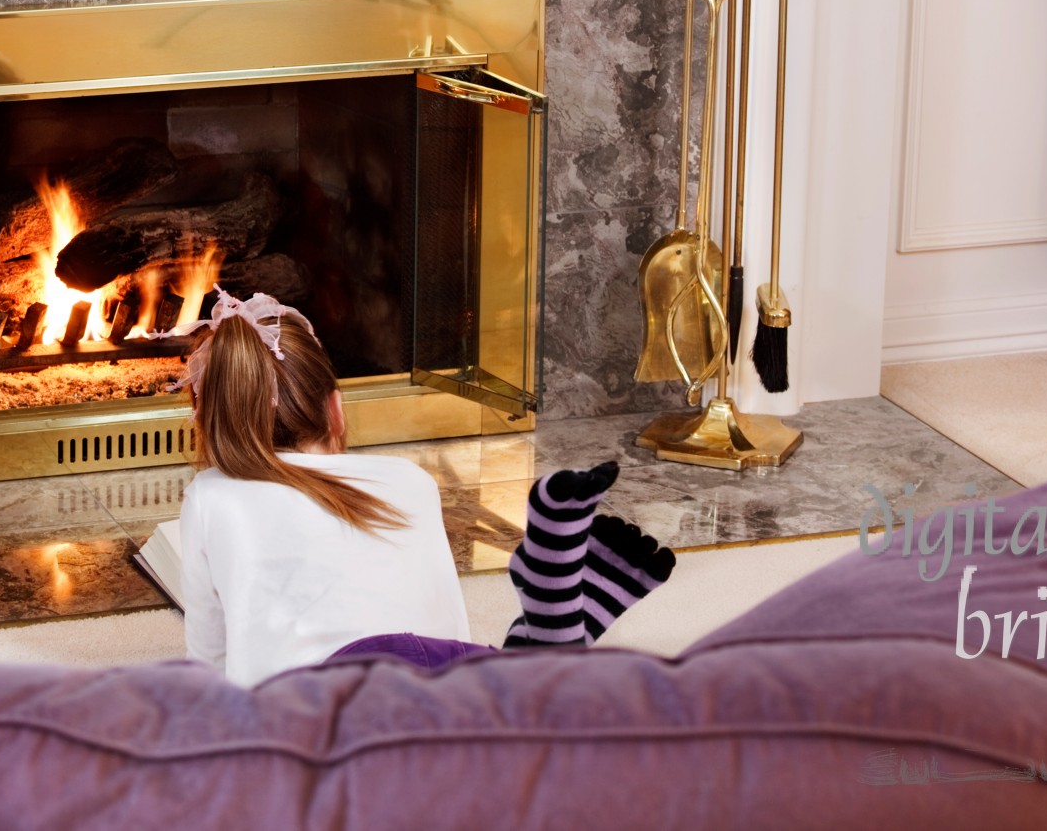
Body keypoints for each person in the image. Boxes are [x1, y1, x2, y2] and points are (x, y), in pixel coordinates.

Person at [175, 289, 676, 686]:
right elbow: (446, 620)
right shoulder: (408, 480)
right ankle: (540, 646)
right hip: (452, 668)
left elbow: (210, 664)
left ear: (217, 424)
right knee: (501, 726)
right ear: (336, 408)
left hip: (325, 699)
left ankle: (537, 661)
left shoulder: (211, 494)